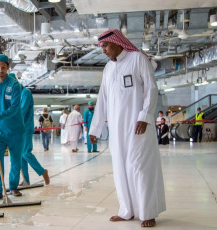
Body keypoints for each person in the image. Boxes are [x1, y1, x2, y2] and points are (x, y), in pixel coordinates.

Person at [89, 29, 165, 228]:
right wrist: (95, 129)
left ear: (117, 42)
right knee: (120, 168)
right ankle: (127, 210)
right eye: (102, 46)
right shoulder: (108, 69)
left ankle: (148, 212)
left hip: (138, 126)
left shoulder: (137, 59)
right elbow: (102, 100)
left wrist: (145, 116)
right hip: (116, 129)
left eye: (106, 45)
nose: (103, 50)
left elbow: (151, 88)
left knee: (140, 167)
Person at [0, 54, 24, 200]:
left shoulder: (14, 84)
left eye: (3, 67)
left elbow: (15, 107)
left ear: (8, 68)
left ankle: (13, 187)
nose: (0, 70)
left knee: (15, 160)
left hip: (15, 130)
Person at [9, 73, 50, 186]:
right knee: (21, 154)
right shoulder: (14, 94)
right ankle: (26, 180)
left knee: (26, 152)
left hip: (25, 127)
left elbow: (22, 111)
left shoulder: (25, 93)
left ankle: (43, 171)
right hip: (17, 128)